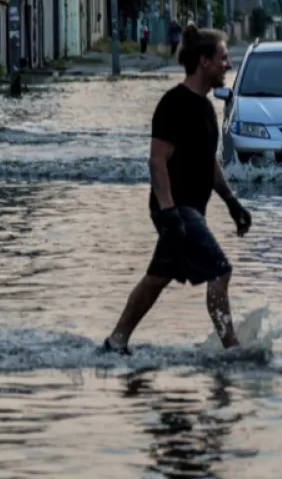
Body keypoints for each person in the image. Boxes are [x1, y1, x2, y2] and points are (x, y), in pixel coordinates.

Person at [102, 26, 253, 355]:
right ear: (204, 61)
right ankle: (232, 350)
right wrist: (169, 213)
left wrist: (231, 202)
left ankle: (116, 341)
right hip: (176, 208)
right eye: (223, 57)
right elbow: (157, 161)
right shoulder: (175, 104)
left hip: (190, 210)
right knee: (220, 269)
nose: (228, 64)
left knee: (159, 276)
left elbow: (208, 161)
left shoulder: (204, 107)